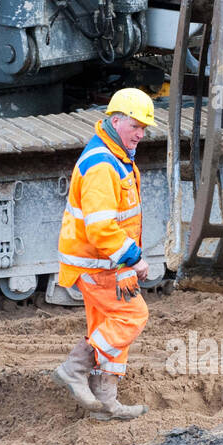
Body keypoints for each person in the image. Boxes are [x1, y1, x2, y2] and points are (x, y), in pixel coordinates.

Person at [52, 88, 155, 420]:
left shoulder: (117, 157)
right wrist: (134, 257)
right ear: (115, 120)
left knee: (111, 327)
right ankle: (74, 367)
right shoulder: (101, 165)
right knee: (132, 317)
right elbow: (100, 228)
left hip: (108, 262)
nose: (140, 134)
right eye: (135, 126)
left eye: (144, 128)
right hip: (98, 263)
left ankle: (104, 403)